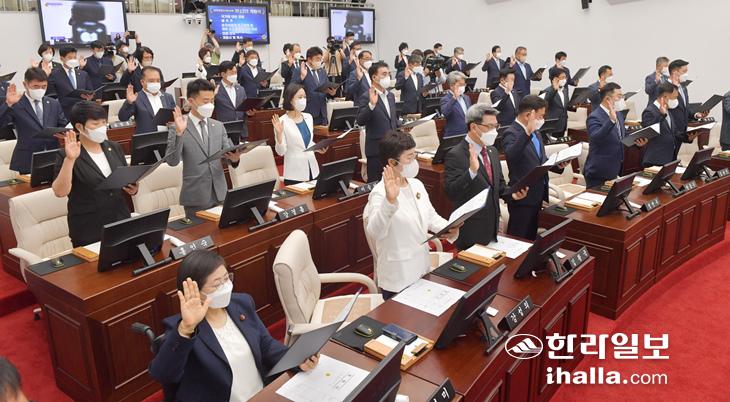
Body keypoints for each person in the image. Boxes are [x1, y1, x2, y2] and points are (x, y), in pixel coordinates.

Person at [149, 249, 319, 402]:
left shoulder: (241, 303)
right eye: (217, 284)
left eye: (226, 278)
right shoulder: (183, 328)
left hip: (261, 393)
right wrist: (187, 328)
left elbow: (265, 344)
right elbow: (164, 374)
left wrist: (296, 359)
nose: (226, 287)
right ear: (195, 292)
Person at [363, 131, 458, 299]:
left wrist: (449, 227)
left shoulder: (416, 184)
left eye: (415, 155)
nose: (414, 162)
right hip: (398, 276)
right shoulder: (380, 193)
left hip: (421, 266)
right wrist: (390, 202)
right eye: (409, 157)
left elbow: (430, 216)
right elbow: (375, 232)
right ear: (392, 162)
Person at [52, 101, 136, 247]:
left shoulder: (114, 147)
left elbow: (122, 177)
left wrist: (132, 187)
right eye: (95, 124)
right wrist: (70, 160)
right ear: (80, 127)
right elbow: (60, 192)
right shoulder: (65, 155)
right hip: (89, 228)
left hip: (120, 220)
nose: (102, 127)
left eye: (104, 122)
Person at [444, 104, 528, 250]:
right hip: (470, 231)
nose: (494, 131)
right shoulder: (456, 154)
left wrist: (512, 195)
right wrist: (471, 172)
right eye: (489, 127)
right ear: (473, 127)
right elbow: (452, 192)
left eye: (496, 126)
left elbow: (498, 186)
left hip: (492, 229)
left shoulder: (492, 151)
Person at [165, 79, 241, 218]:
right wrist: (179, 134)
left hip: (220, 192)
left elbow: (227, 155)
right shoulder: (177, 126)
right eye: (205, 101)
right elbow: (172, 161)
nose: (210, 105)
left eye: (212, 101)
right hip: (196, 195)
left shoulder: (218, 126)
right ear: (191, 101)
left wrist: (234, 159)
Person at [502, 95, 568, 240]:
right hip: (522, 196)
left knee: (531, 236)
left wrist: (558, 165)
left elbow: (540, 160)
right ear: (528, 115)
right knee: (519, 238)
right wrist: (527, 133)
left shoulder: (536, 132)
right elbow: (511, 156)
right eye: (540, 116)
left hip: (538, 194)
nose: (542, 120)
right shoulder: (511, 133)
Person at [0, 68, 67, 174]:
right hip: (27, 158)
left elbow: (62, 124)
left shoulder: (53, 103)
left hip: (53, 156)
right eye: (36, 86)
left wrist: (64, 134)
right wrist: (8, 104)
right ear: (25, 84)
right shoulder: (16, 103)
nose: (40, 89)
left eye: (44, 86)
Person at [584, 83, 647, 188]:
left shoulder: (618, 114)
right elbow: (595, 138)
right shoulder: (594, 116)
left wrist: (637, 141)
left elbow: (622, 135)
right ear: (607, 99)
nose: (622, 99)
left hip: (615, 167)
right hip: (599, 171)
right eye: (619, 96)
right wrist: (611, 120)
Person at [271, 84, 325, 185]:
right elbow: (281, 152)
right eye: (300, 97)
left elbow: (307, 142)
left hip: (313, 169)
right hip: (295, 174)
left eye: (304, 97)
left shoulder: (308, 117)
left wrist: (318, 148)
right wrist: (279, 135)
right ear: (290, 100)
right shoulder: (282, 121)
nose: (303, 100)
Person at [357, 62, 399, 182]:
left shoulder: (390, 96)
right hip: (376, 150)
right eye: (384, 74)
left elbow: (392, 120)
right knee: (376, 185)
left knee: (392, 182)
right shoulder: (366, 96)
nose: (387, 77)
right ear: (374, 77)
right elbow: (360, 121)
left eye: (388, 74)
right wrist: (371, 105)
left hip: (392, 147)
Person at [667, 59, 707, 159]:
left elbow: (685, 107)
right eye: (684, 71)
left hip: (682, 131)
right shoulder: (665, 88)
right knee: (667, 161)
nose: (686, 74)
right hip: (670, 132)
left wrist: (696, 115)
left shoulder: (683, 87)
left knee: (673, 159)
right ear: (675, 72)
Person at [118, 66, 176, 134]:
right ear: (142, 82)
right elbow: (123, 118)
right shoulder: (136, 97)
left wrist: (173, 122)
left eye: (158, 80)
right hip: (147, 138)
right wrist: (129, 102)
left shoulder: (168, 97)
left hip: (167, 137)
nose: (155, 83)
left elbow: (174, 117)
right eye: (151, 81)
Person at [48, 46, 95, 119]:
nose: (73, 60)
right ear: (62, 58)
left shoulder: (83, 74)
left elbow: (90, 90)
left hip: (83, 111)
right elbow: (51, 95)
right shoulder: (54, 74)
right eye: (70, 58)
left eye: (75, 57)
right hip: (64, 113)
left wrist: (90, 97)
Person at [641, 82, 681, 167]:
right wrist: (661, 115)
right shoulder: (649, 111)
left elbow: (673, 132)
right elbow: (649, 131)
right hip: (656, 159)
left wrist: (687, 137)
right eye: (674, 97)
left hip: (670, 158)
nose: (676, 100)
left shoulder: (667, 110)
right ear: (665, 97)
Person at [292, 47, 335, 126]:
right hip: (308, 111)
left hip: (322, 113)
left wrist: (331, 93)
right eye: (317, 59)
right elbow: (292, 88)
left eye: (320, 59)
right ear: (309, 59)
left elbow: (326, 87)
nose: (319, 61)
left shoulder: (322, 71)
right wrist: (302, 77)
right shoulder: (299, 70)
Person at [215, 61, 250, 142]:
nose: (235, 75)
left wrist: (249, 112)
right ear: (223, 74)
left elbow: (245, 107)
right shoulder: (216, 89)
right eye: (232, 73)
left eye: (235, 72)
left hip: (241, 130)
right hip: (225, 130)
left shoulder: (241, 89)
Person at [440, 71, 471, 138]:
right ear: (451, 86)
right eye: (460, 85)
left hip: (467, 133)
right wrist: (454, 98)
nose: (463, 87)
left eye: (464, 84)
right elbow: (445, 112)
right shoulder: (445, 99)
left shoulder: (466, 98)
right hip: (454, 135)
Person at [543, 68, 570, 137]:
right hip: (553, 126)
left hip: (563, 124)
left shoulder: (565, 90)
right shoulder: (547, 91)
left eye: (565, 77)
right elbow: (545, 102)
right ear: (555, 79)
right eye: (562, 77)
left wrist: (574, 107)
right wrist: (554, 89)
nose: (565, 79)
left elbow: (565, 106)